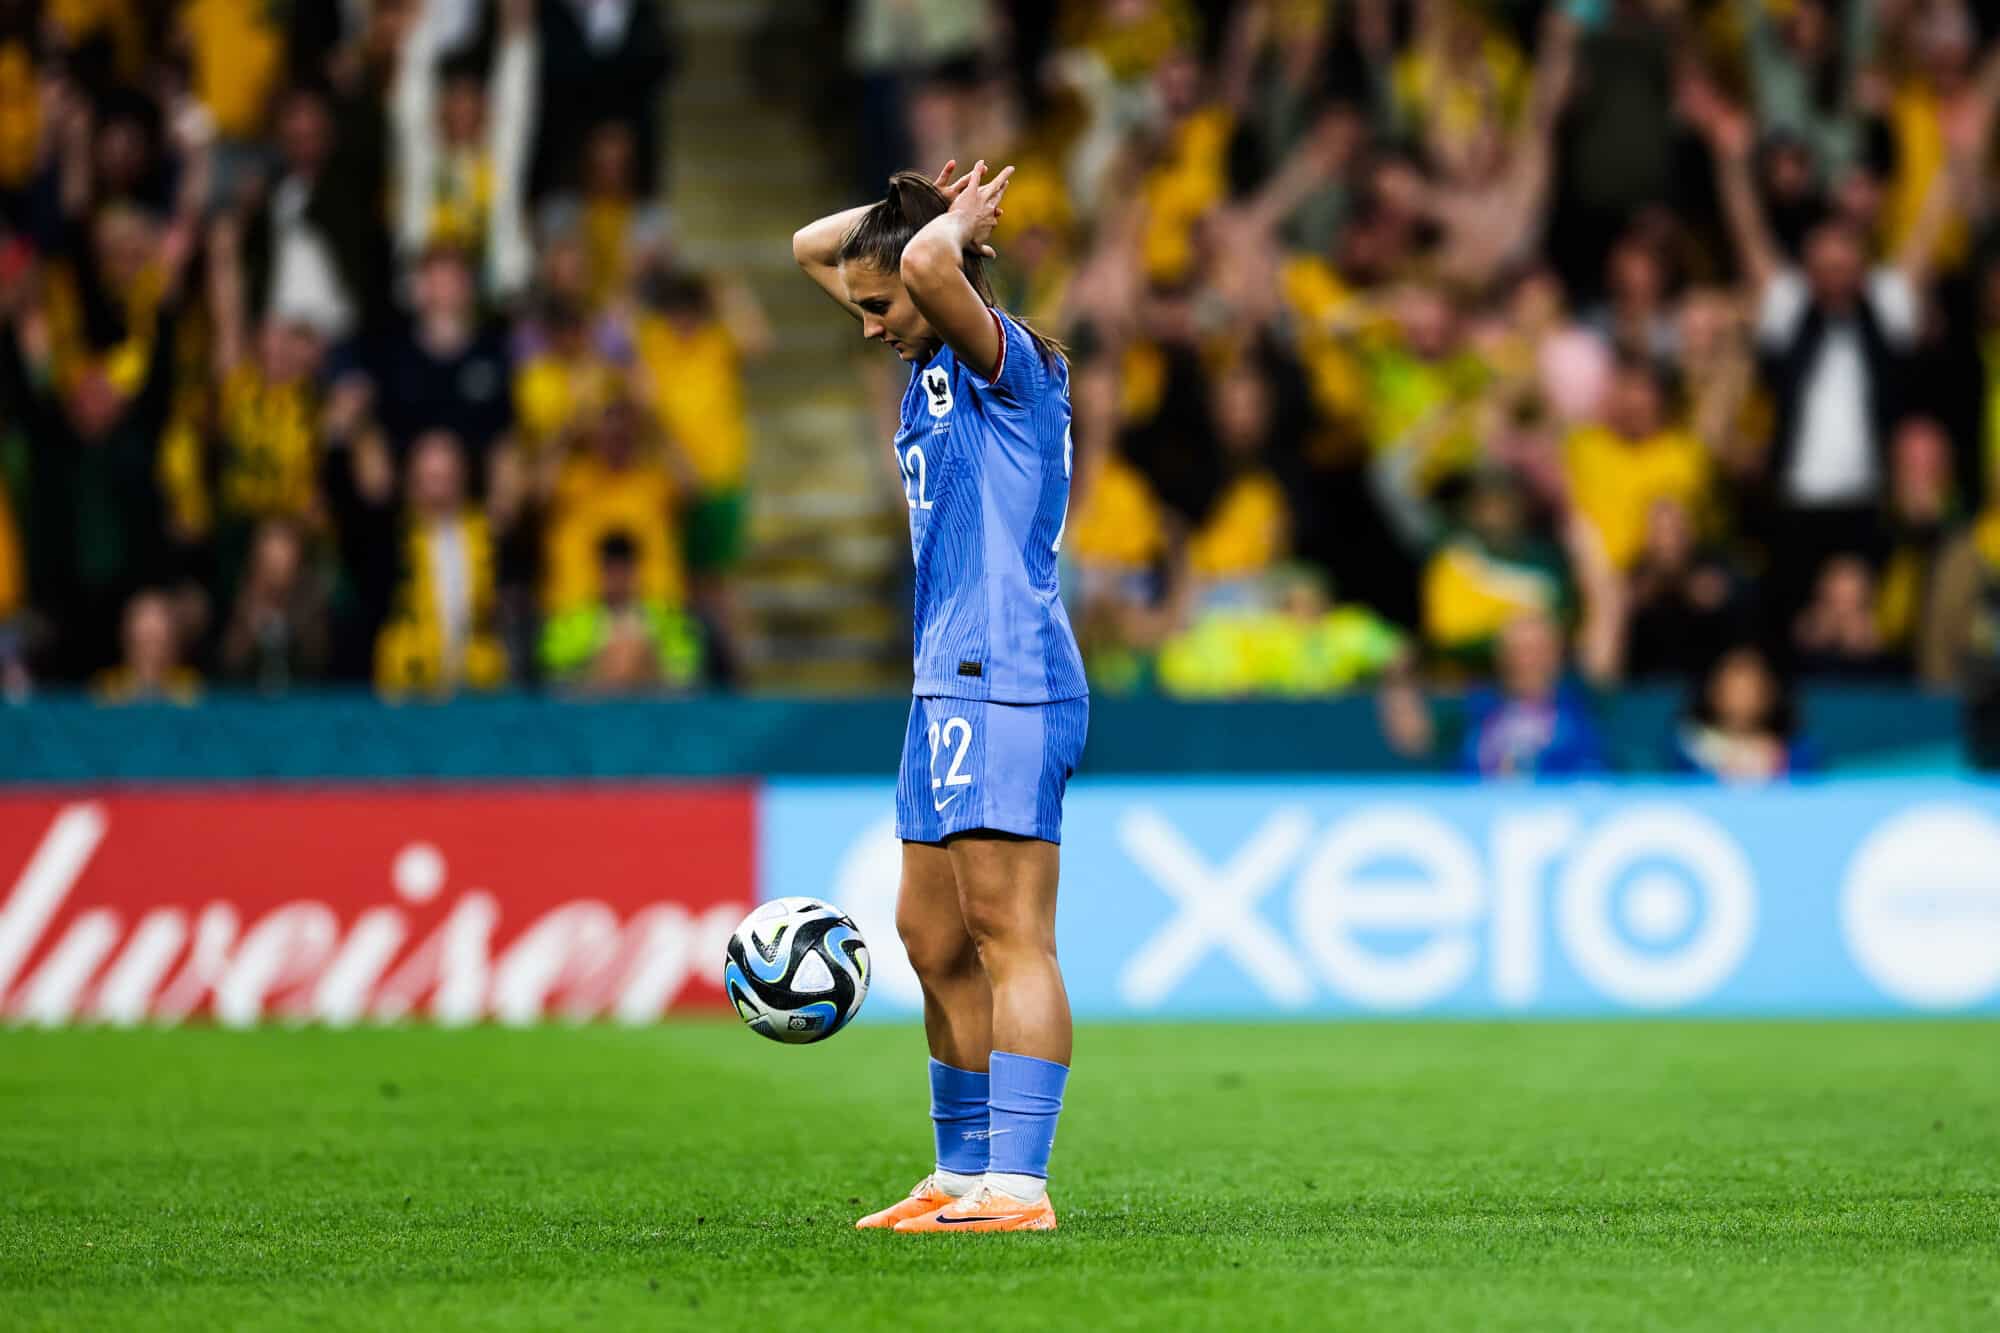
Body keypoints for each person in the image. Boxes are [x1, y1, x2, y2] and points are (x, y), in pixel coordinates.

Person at [793, 159, 1085, 1234]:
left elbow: (916, 262)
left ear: (939, 284)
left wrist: (945, 229)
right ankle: (959, 1175)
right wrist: (901, 210)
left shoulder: (1010, 371)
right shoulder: (919, 343)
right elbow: (810, 248)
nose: (867, 324)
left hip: (1007, 674)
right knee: (929, 936)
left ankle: (1020, 1184)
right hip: (940, 684)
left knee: (1011, 932)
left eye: (880, 309)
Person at [1670, 644, 1817, 782]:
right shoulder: (1688, 746)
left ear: (1769, 694)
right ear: (1712, 691)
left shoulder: (1796, 750)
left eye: (1750, 688)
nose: (1741, 698)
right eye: (1732, 688)